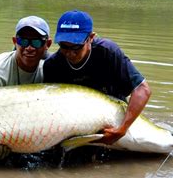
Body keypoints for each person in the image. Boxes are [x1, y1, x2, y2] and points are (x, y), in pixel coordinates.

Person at [43, 10, 151, 145]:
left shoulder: (108, 52)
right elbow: (49, 107)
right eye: (64, 46)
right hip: (73, 120)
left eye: (76, 46)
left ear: (91, 37)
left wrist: (122, 129)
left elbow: (142, 89)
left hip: (111, 120)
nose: (70, 53)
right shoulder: (52, 65)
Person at [0, 16, 52, 90]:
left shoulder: (54, 69)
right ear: (15, 42)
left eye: (36, 42)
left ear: (48, 44)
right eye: (23, 41)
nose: (29, 48)